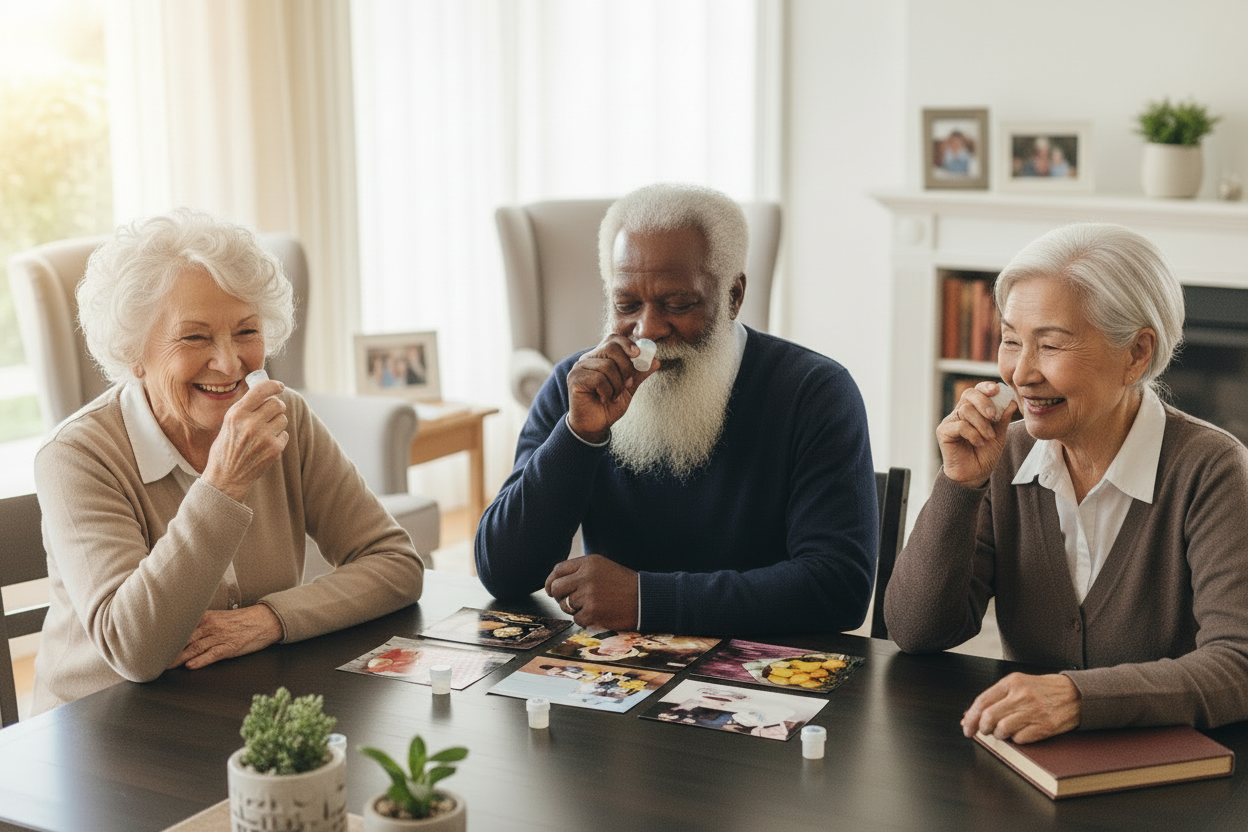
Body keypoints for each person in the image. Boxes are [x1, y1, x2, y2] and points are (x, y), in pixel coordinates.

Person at [31, 208, 425, 713]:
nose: (229, 362)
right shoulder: (76, 456)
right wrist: (222, 485)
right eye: (194, 337)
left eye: (246, 331)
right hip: (100, 727)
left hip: (234, 705)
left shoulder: (284, 417)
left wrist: (269, 619)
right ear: (134, 352)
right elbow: (134, 649)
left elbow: (395, 564)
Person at [884, 222, 1248, 744]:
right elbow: (918, 632)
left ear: (1137, 354)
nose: (1021, 372)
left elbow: (1238, 663)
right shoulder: (1005, 455)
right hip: (1032, 767)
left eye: (1050, 345)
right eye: (1010, 340)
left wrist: (1078, 697)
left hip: (1175, 783)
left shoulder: (1212, 469)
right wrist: (958, 487)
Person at [475, 183, 877, 635]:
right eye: (626, 304)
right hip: (612, 675)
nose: (647, 330)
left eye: (678, 304)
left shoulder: (816, 392)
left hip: (765, 674)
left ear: (733, 296)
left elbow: (839, 587)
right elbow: (503, 573)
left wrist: (648, 600)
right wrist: (578, 436)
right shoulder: (578, 386)